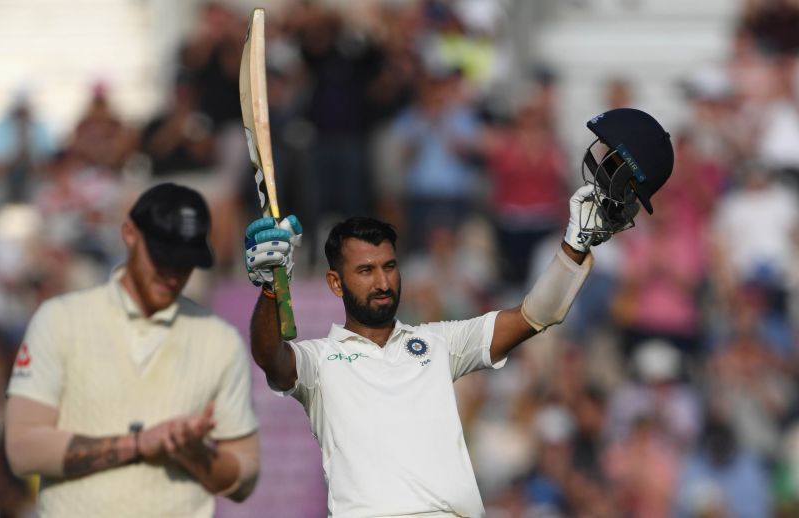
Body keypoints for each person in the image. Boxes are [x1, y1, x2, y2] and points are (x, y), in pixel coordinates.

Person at [244, 108, 673, 516]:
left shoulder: (437, 343)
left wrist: (575, 244)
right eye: (365, 271)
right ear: (335, 283)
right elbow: (271, 357)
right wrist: (269, 288)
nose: (382, 282)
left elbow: (534, 317)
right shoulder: (320, 361)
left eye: (389, 267)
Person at [4, 183, 260, 517]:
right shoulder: (60, 320)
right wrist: (139, 444)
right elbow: (23, 450)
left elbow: (245, 475)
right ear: (129, 234)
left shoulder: (220, 339)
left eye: (185, 263)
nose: (173, 274)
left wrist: (192, 453)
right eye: (162, 258)